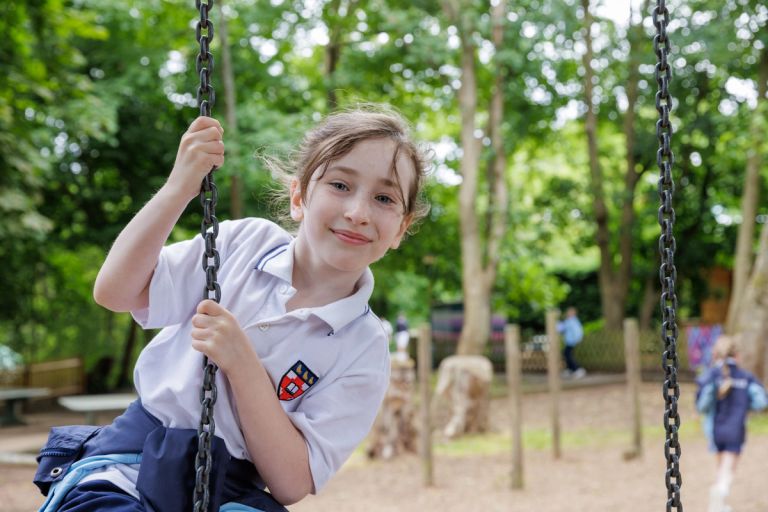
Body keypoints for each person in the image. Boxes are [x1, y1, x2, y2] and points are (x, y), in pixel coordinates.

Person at [33, 106, 430, 511]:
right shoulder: (245, 244)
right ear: (298, 198)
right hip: (127, 473)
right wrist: (179, 188)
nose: (358, 213)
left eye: (384, 198)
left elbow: (291, 483)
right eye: (340, 185)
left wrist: (242, 365)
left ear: (401, 228)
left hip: (228, 492)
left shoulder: (364, 346)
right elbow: (116, 292)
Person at [695, 334, 767, 512]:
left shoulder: (711, 376)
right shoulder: (745, 377)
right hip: (735, 429)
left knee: (721, 468)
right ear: (737, 356)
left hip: (715, 430)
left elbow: (702, 406)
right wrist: (746, 404)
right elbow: (761, 402)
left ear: (715, 355)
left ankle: (719, 502)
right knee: (728, 469)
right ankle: (719, 495)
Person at [557, 306, 585, 379]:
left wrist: (577, 339)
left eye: (570, 312)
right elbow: (561, 329)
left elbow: (577, 331)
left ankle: (577, 369)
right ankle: (570, 370)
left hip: (571, 341)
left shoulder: (573, 321)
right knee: (566, 354)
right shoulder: (569, 321)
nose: (568, 313)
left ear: (573, 313)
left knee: (567, 354)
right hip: (569, 341)